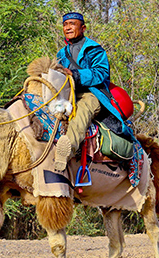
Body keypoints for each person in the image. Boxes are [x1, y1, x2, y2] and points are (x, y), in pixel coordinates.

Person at [53, 12, 126, 172]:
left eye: (72, 24)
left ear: (83, 28)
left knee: (83, 111)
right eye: (65, 24)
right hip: (67, 94)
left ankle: (67, 150)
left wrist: (76, 75)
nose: (68, 27)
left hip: (91, 93)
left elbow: (101, 73)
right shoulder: (61, 53)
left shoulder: (94, 49)